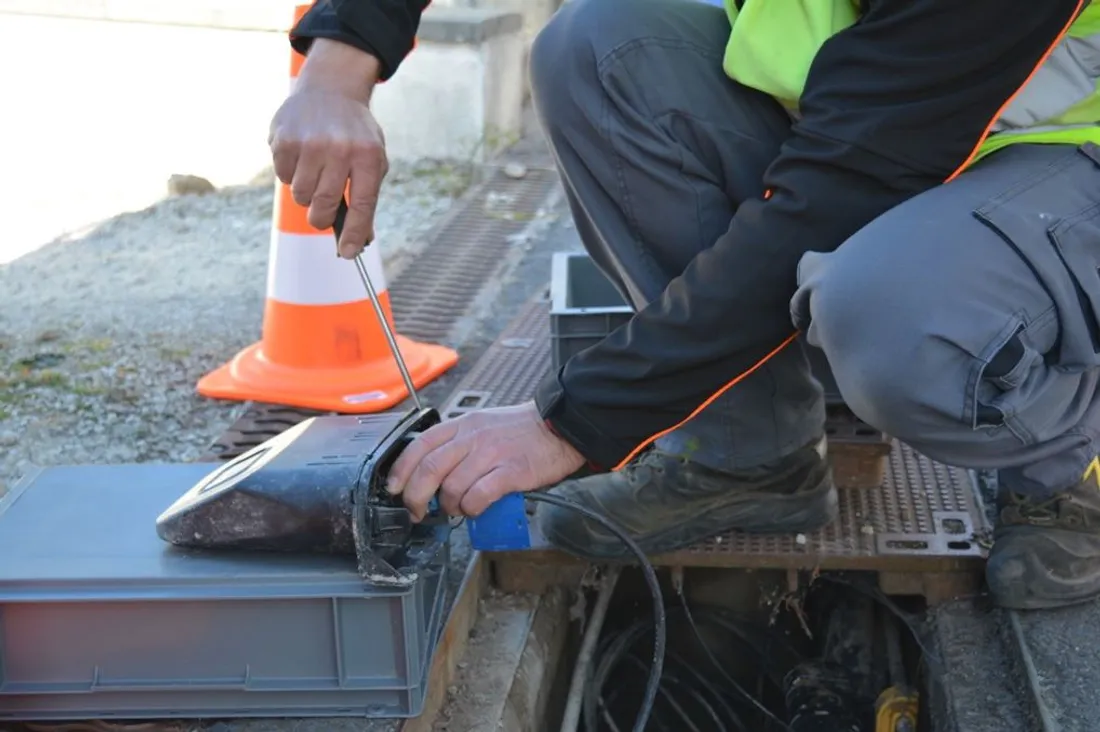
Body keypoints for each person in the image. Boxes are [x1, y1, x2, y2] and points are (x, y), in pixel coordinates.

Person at [271, 0, 1100, 611]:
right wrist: (340, 64)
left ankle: (1070, 457)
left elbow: (840, 189)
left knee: (889, 318)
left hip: (1061, 154)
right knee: (596, 46)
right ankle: (750, 459)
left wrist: (571, 423)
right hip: (872, 108)